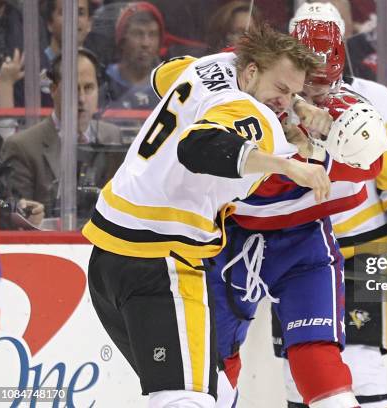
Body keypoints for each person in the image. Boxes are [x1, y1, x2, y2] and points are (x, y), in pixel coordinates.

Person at [83, 24, 329, 408]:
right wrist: (289, 165)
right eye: (282, 91)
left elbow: (160, 76)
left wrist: (297, 104)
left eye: (294, 93)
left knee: (209, 388)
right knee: (186, 398)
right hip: (162, 261)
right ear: (250, 74)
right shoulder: (251, 114)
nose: (285, 102)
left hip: (109, 258)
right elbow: (199, 147)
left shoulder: (206, 67)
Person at [270, 4, 387, 408]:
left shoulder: (375, 100)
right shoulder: (269, 102)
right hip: (297, 254)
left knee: (362, 371)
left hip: (361, 253)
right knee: (299, 378)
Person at [1, 49, 121, 220]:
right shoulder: (22, 146)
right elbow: (10, 212)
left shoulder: (112, 135)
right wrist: (25, 214)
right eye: (73, 88)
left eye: (88, 88)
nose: (81, 98)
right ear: (53, 90)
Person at [105, 2, 164, 110]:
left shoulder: (169, 86)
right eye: (138, 34)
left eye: (152, 34)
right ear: (122, 40)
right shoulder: (104, 81)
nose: (146, 43)